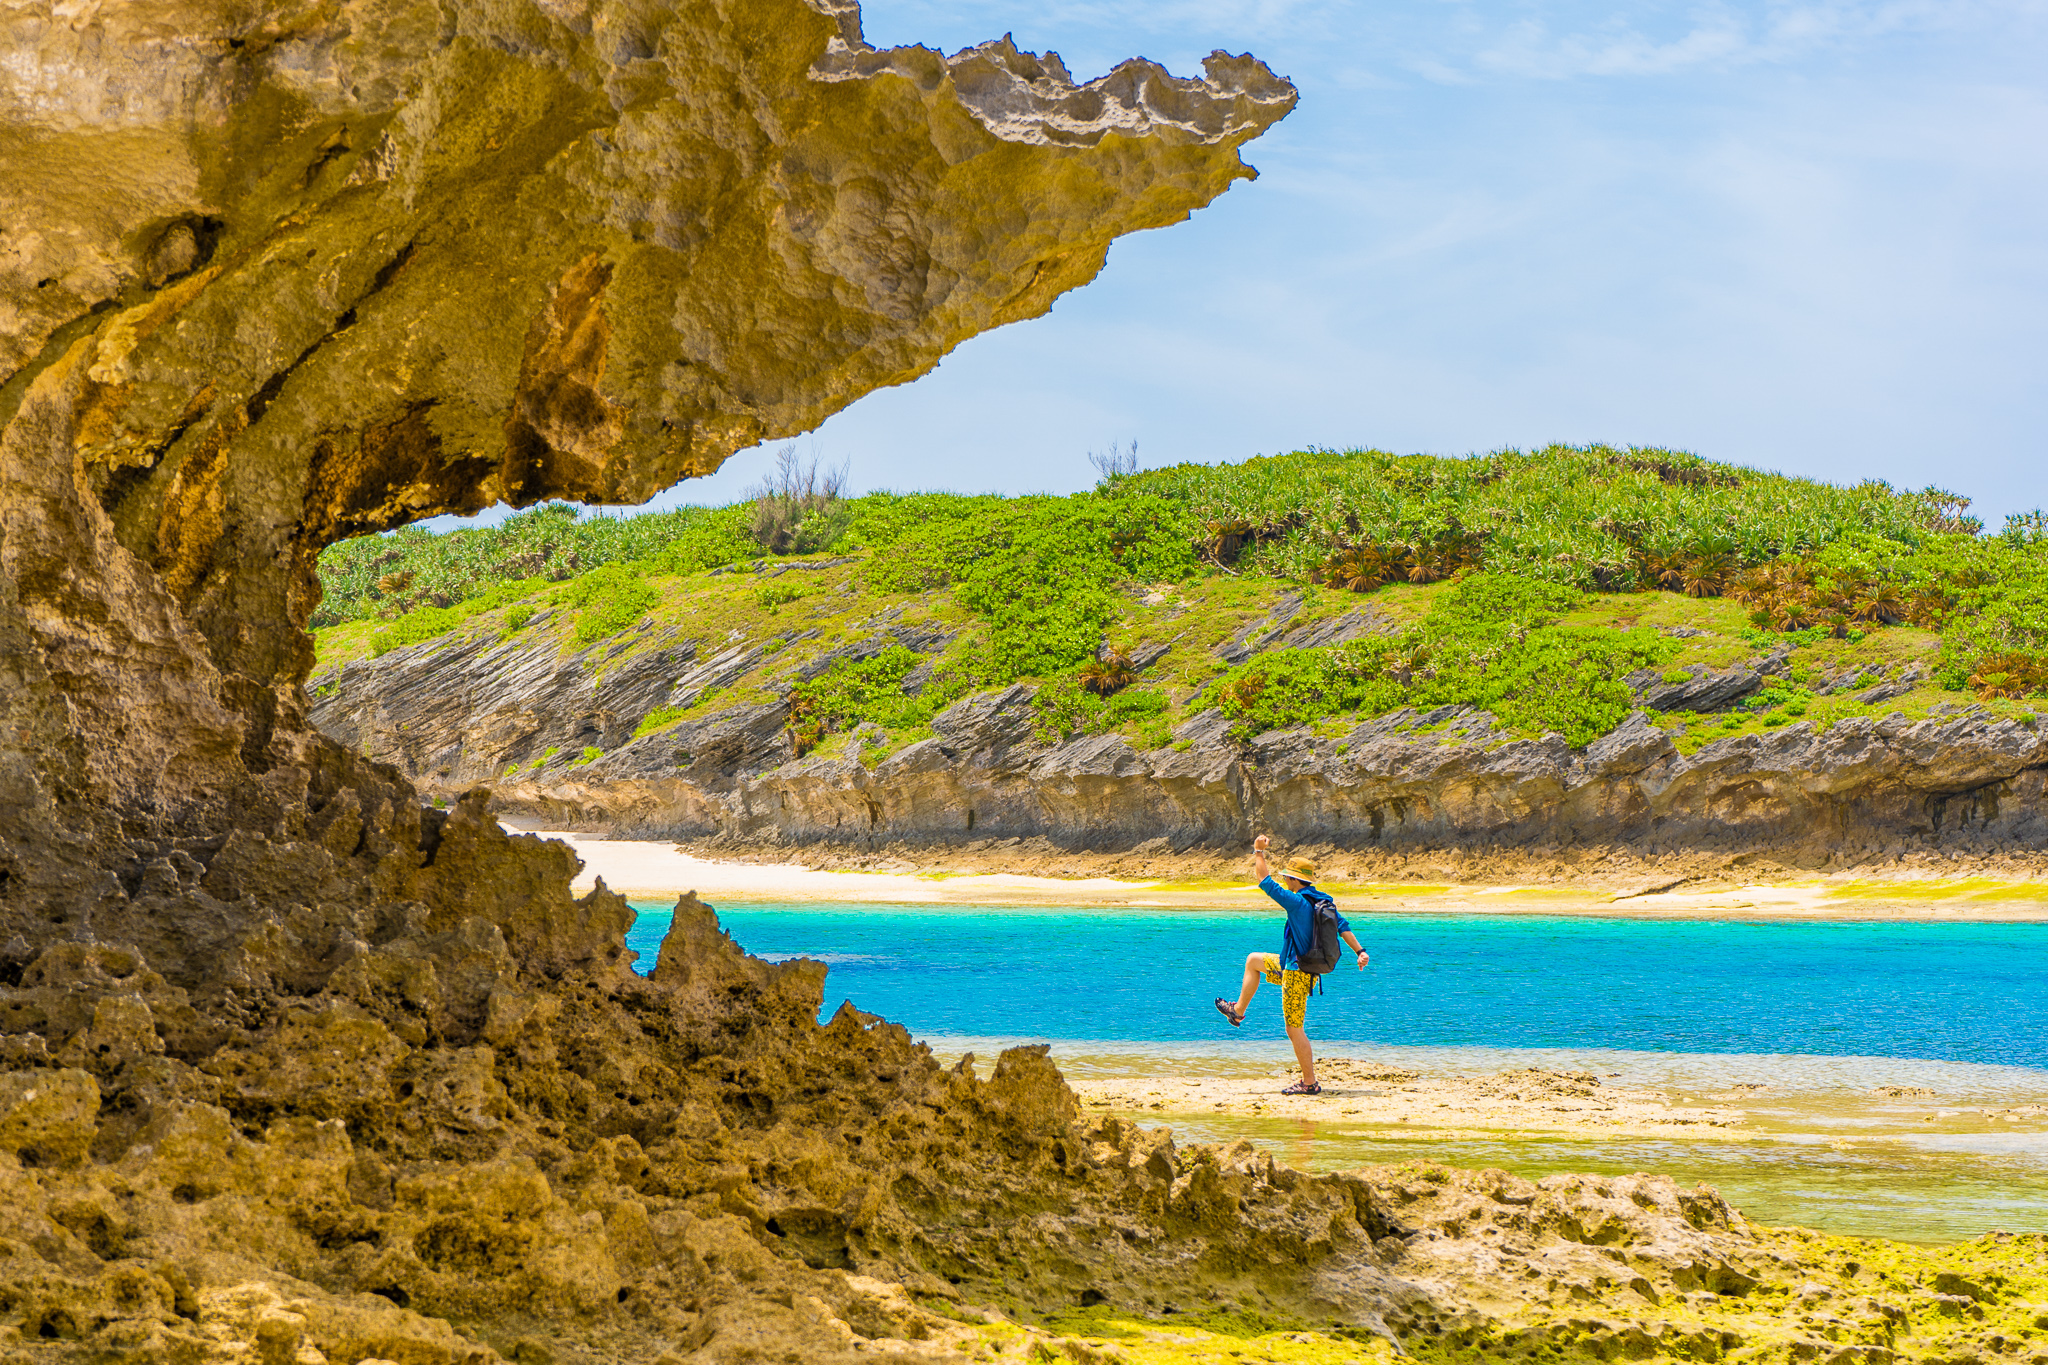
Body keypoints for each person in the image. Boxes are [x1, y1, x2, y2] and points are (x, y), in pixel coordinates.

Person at [1214, 834, 1367, 1095]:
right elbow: (1343, 927)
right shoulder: (1323, 902)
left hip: (1298, 973)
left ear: (1295, 880)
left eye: (1287, 876)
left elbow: (1265, 882)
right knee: (1253, 960)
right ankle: (1237, 1010)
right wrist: (1360, 951)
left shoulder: (1297, 903)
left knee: (1294, 1028)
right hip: (1291, 966)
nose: (1285, 879)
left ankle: (1309, 1083)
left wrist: (1258, 852)